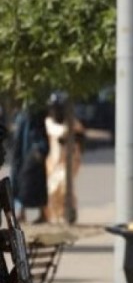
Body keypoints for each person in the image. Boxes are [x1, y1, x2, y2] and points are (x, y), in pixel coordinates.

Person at [43, 94, 84, 224]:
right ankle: (57, 216)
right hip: (53, 163)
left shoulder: (72, 123)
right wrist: (67, 132)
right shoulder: (50, 123)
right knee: (53, 191)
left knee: (66, 187)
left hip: (69, 162)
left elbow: (80, 136)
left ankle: (70, 212)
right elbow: (57, 132)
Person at [9, 103, 48, 223]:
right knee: (20, 185)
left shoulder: (34, 116)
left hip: (31, 156)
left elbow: (39, 137)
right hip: (21, 155)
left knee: (31, 185)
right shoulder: (22, 116)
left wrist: (38, 151)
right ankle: (21, 213)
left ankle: (42, 214)